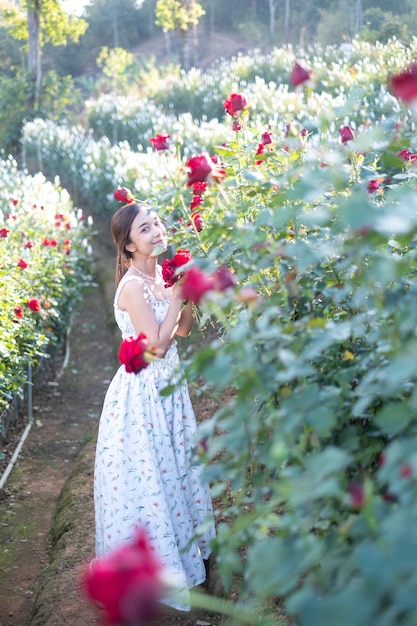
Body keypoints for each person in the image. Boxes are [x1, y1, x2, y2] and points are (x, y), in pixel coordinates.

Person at [93, 202, 216, 611]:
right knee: (151, 480)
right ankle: (155, 574)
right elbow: (158, 346)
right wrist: (180, 291)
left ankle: (186, 555)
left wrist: (187, 292)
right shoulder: (131, 286)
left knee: (176, 469)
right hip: (143, 394)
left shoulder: (158, 277)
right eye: (145, 229)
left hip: (169, 390)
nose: (157, 231)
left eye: (157, 223)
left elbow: (182, 329)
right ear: (128, 246)